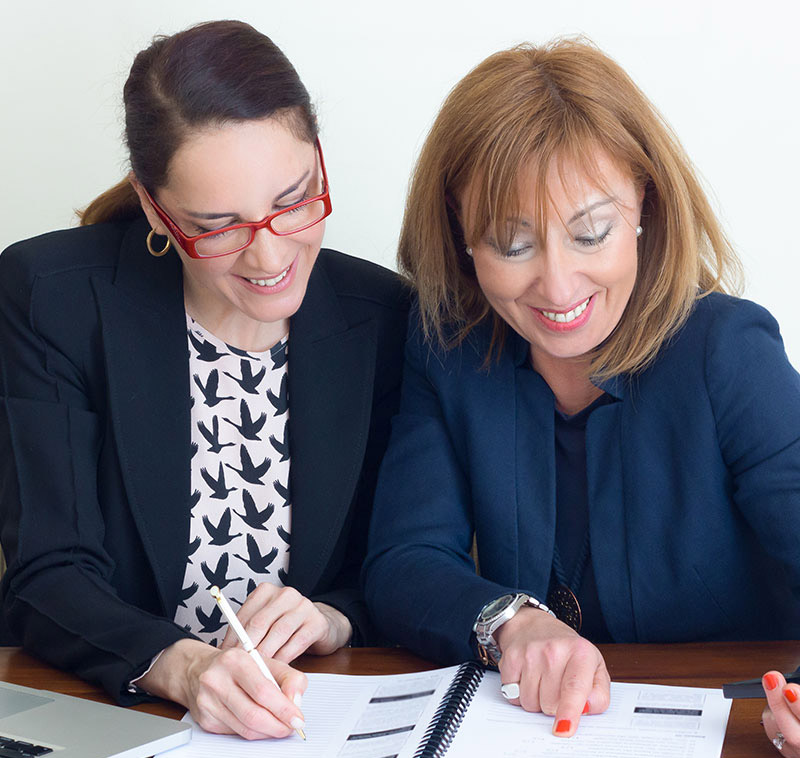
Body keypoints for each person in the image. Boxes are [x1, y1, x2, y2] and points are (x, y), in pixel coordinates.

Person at [362, 37, 800, 753]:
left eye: (590, 232)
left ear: (644, 205)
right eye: (512, 245)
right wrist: (511, 620)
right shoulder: (447, 347)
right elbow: (404, 560)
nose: (559, 288)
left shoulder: (728, 352)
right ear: (459, 230)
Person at [0, 20, 408, 740]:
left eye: (293, 199)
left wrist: (333, 616)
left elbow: (402, 557)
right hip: (112, 717)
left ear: (318, 158)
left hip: (305, 719)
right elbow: (47, 574)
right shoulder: (49, 298)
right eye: (218, 225)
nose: (269, 255)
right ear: (155, 206)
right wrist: (181, 667)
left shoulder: (384, 317)